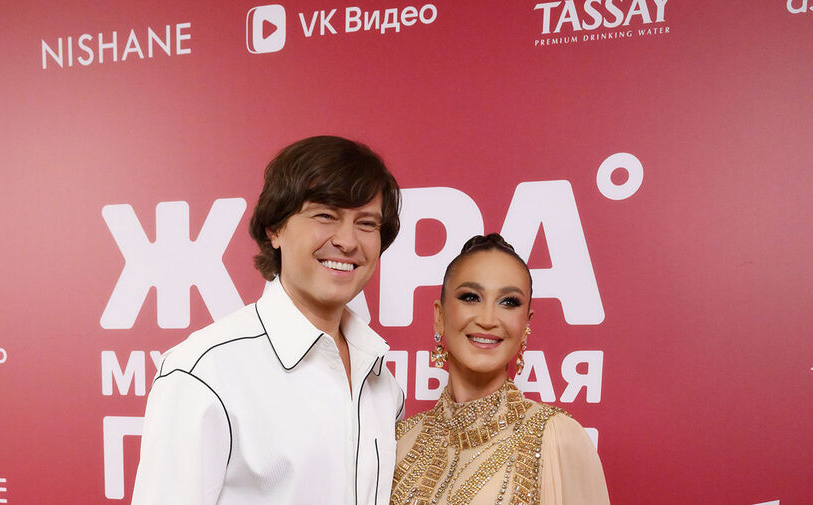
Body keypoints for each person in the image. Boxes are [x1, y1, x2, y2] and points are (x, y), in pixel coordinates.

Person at [132, 136, 405, 505]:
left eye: (367, 223)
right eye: (325, 216)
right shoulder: (204, 372)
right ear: (274, 229)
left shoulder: (381, 381)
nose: (348, 241)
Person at [392, 234, 610, 505]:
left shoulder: (557, 438)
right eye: (471, 297)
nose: (487, 320)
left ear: (526, 324)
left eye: (508, 302)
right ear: (440, 316)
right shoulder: (399, 440)